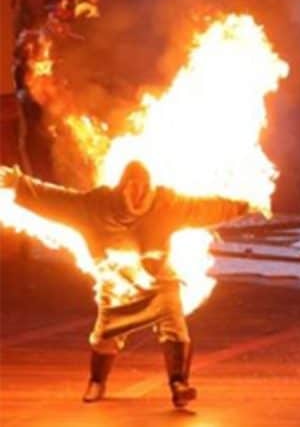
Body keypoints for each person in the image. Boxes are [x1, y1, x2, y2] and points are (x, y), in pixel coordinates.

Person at [0, 161, 253, 408]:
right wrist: (19, 184)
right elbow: (53, 199)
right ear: (122, 186)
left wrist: (242, 205)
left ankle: (179, 384)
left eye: (145, 187)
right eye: (133, 186)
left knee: (175, 326)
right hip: (117, 281)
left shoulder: (166, 205)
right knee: (105, 334)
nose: (140, 193)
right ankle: (97, 382)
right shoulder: (93, 206)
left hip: (158, 280)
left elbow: (204, 208)